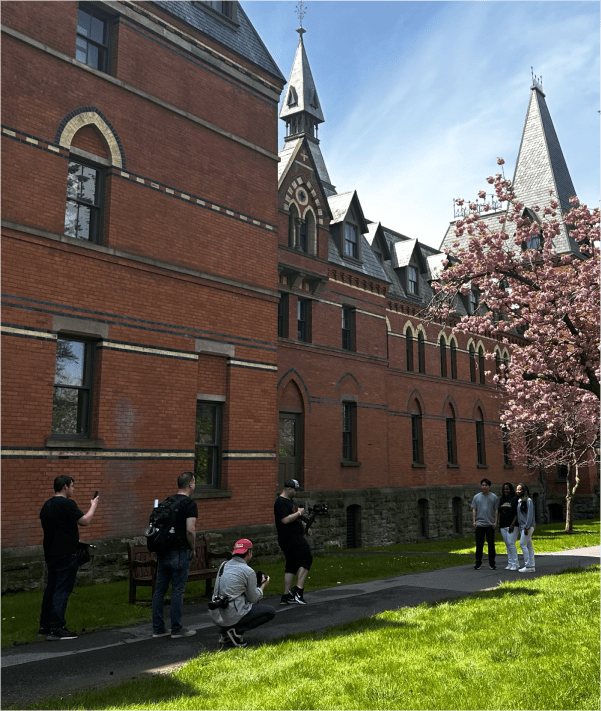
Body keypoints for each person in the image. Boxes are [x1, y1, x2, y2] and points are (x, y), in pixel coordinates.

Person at [39, 475, 99, 640]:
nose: (73, 489)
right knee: (62, 589)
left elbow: (57, 529)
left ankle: (44, 626)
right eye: (72, 486)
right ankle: (58, 627)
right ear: (65, 487)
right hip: (66, 553)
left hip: (50, 552)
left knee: (51, 587)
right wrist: (93, 505)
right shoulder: (67, 504)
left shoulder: (47, 506)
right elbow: (84, 521)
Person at [151, 471, 198, 638]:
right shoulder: (189, 504)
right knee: (178, 590)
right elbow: (190, 530)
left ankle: (158, 628)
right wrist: (192, 547)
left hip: (163, 550)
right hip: (180, 551)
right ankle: (177, 629)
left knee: (160, 590)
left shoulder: (165, 502)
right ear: (191, 484)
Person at [208, 538, 274, 649]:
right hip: (232, 615)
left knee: (241, 604)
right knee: (270, 611)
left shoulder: (223, 565)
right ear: (249, 552)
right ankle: (236, 632)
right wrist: (262, 585)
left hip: (217, 614)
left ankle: (226, 633)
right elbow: (254, 598)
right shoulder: (247, 571)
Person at [274, 479, 312, 605]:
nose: (296, 492)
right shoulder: (280, 502)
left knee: (291, 564)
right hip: (290, 538)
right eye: (295, 490)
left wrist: (306, 527)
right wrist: (299, 513)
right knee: (307, 558)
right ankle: (298, 591)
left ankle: (286, 595)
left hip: (295, 536)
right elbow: (285, 520)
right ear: (288, 489)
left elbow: (297, 519)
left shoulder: (291, 502)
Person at [471, 478, 499, 570]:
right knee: (479, 544)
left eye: (486, 485)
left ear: (489, 486)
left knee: (491, 544)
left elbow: (496, 510)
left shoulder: (493, 497)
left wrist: (495, 522)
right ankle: (478, 563)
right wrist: (474, 521)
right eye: (483, 485)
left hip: (490, 524)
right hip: (479, 524)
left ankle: (492, 563)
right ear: (480, 486)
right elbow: (474, 509)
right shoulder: (476, 497)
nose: (484, 487)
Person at [498, 482, 519, 571]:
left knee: (511, 544)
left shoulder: (515, 499)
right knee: (507, 545)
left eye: (507, 489)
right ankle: (510, 563)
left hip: (512, 526)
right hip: (503, 525)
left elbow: (517, 513)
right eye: (504, 489)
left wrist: (512, 524)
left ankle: (516, 563)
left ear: (511, 489)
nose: (505, 491)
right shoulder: (502, 500)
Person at [516, 483, 536, 572]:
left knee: (522, 544)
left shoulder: (528, 500)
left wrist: (527, 527)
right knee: (529, 546)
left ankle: (527, 566)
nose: (518, 491)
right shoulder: (519, 500)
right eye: (517, 489)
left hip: (527, 527)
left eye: (520, 489)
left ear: (524, 490)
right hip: (522, 527)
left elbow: (530, 515)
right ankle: (532, 566)